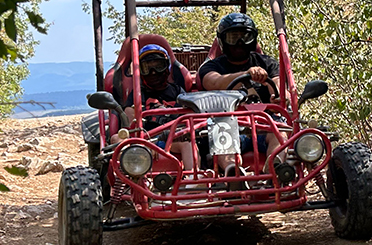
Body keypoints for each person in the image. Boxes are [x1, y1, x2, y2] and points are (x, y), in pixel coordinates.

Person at [197, 13, 284, 174]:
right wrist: (246, 74)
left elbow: (279, 88)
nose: (240, 43)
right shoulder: (211, 67)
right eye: (233, 37)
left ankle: (275, 169)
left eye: (245, 37)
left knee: (280, 131)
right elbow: (213, 83)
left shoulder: (267, 63)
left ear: (253, 39)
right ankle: (233, 171)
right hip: (229, 122)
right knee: (221, 132)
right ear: (223, 40)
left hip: (265, 122)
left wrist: (274, 91)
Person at [114, 44, 194, 172]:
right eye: (148, 68)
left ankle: (194, 180)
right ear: (141, 70)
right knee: (116, 140)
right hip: (144, 140)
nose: (153, 72)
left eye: (158, 66)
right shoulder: (138, 94)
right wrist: (146, 143)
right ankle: (128, 178)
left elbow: (187, 121)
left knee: (188, 142)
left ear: (166, 67)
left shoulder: (178, 91)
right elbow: (130, 125)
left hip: (172, 139)